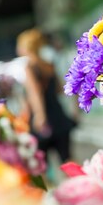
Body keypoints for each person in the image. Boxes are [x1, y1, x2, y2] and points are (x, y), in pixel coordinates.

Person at [17, 28, 77, 164]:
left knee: (41, 164)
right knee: (68, 160)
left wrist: (40, 116)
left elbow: (35, 94)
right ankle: (86, 184)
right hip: (59, 117)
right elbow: (59, 90)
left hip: (43, 123)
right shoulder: (49, 65)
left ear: (25, 47)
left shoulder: (29, 67)